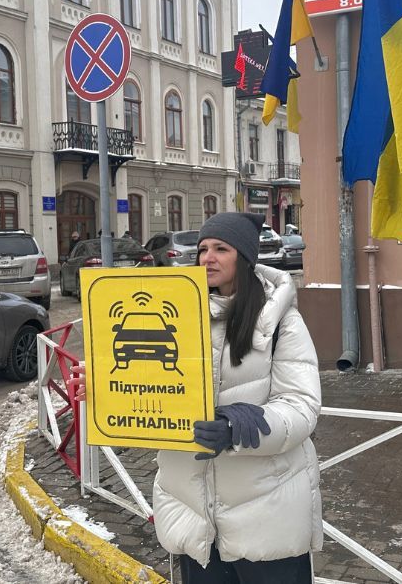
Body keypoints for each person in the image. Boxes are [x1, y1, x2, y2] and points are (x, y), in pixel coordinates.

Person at [72, 212, 322, 582]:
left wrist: (239, 426)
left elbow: (302, 406)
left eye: (221, 248)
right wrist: (105, 388)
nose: (208, 257)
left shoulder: (281, 321)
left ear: (245, 257)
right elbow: (149, 384)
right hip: (194, 516)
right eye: (203, 249)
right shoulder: (179, 314)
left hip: (267, 515)